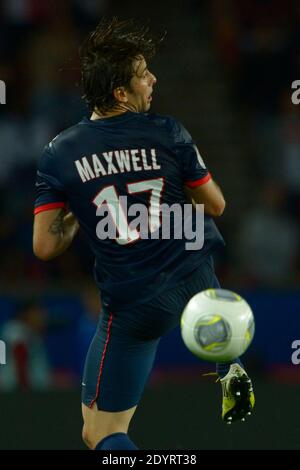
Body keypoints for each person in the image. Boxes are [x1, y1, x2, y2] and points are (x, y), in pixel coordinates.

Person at [33, 18, 254, 450]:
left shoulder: (60, 153)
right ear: (120, 93)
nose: (153, 79)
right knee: (203, 284)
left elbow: (45, 247)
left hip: (135, 305)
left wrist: (81, 207)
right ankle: (229, 360)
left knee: (101, 433)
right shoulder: (169, 131)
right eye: (143, 74)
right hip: (196, 280)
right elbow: (216, 205)